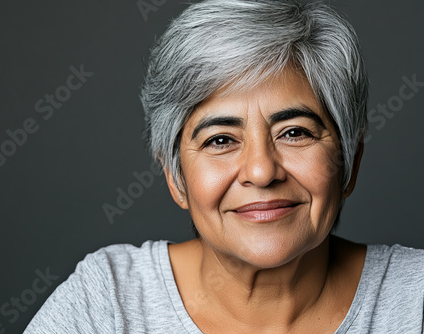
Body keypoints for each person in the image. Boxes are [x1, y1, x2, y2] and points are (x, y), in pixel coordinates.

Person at [24, 0, 424, 333]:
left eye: (295, 132)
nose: (262, 171)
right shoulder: (108, 304)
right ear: (175, 177)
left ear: (350, 163)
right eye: (220, 140)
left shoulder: (414, 302)